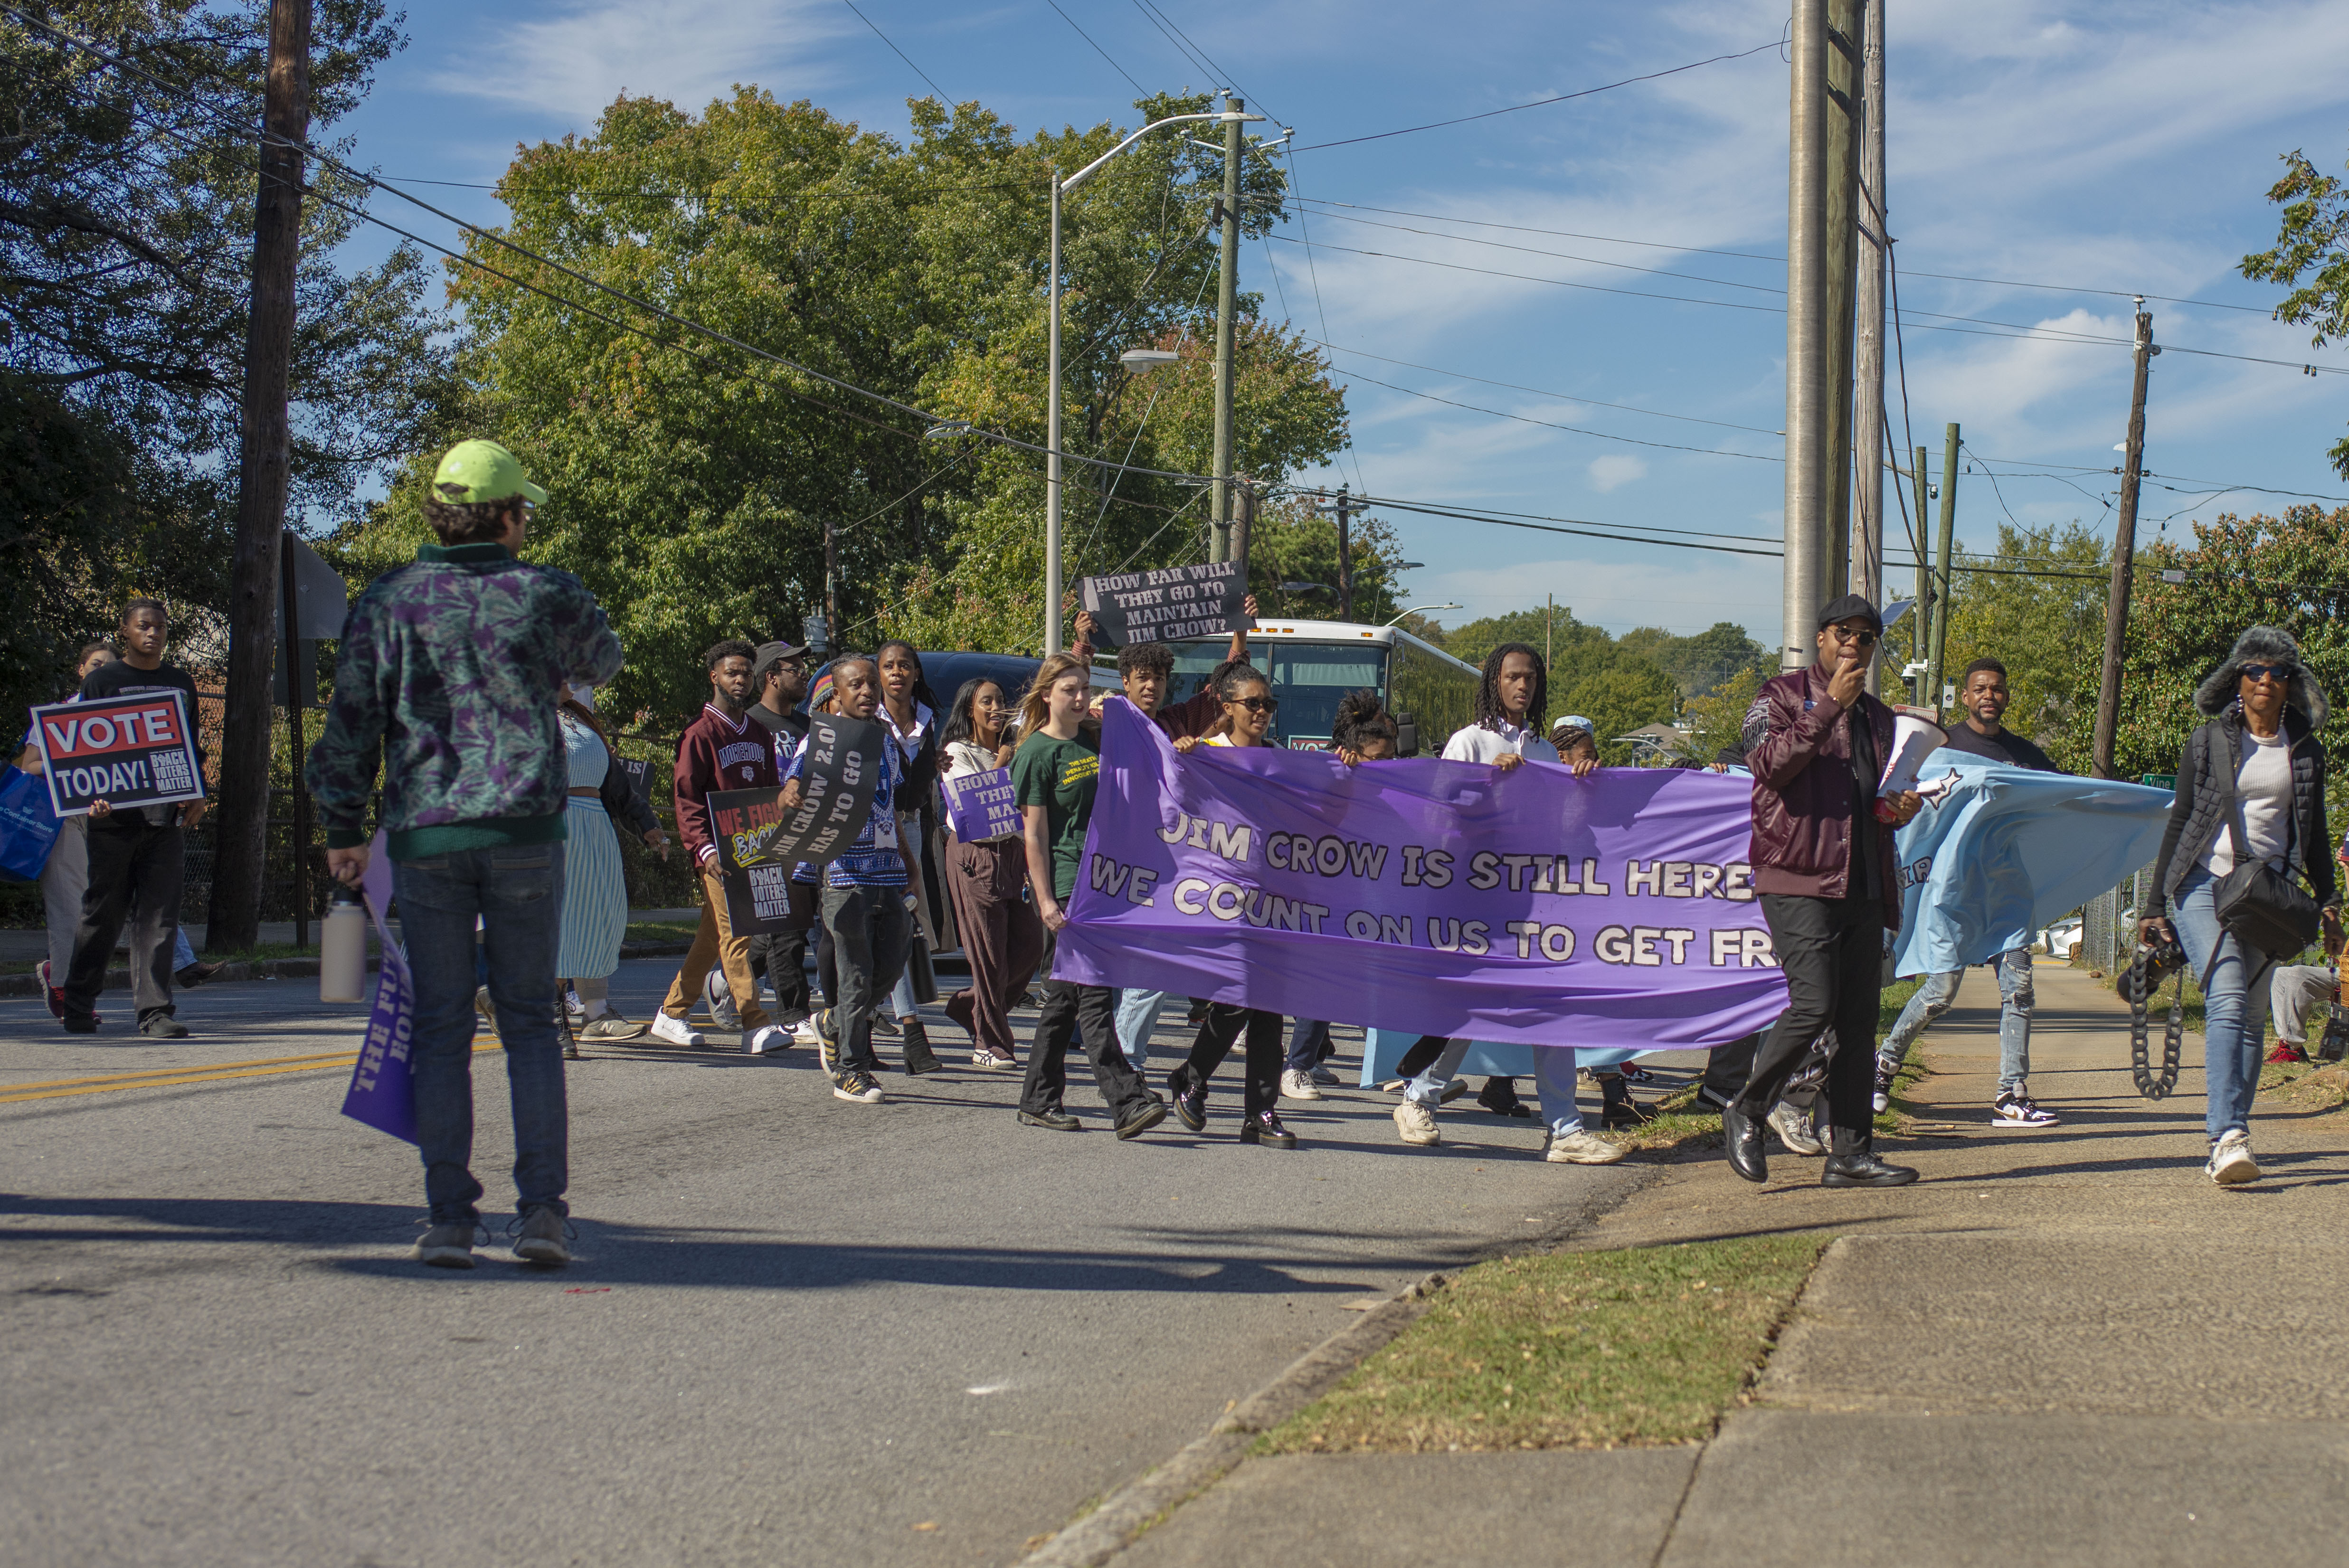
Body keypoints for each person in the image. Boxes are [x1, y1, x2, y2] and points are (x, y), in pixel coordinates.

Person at [311, 438, 623, 1267]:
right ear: (510, 517)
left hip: (427, 835)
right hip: (525, 832)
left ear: (440, 516)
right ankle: (542, 1213)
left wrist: (344, 828)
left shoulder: (389, 600)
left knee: (441, 1027)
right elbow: (603, 658)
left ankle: (449, 1217)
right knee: (529, 1023)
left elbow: (350, 724)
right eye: (524, 512)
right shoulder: (544, 592)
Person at [1726, 595, 1923, 1190]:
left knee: (1858, 1024)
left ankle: (1850, 1154)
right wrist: (1827, 706)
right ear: (1820, 637)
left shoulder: (1880, 717)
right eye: (1843, 631)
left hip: (1861, 879)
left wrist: (1897, 807)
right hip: (1796, 874)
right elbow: (1767, 766)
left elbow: (1871, 797)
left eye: (1866, 636)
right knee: (1813, 1004)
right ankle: (1748, 1107)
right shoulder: (1779, 695)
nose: (1853, 643)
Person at [2140, 626, 2336, 1186]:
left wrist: (2329, 902)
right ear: (2236, 680)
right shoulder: (2208, 740)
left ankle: (2233, 1132)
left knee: (2251, 1015)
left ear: (2291, 683)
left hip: (2265, 894)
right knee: (2226, 996)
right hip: (2202, 882)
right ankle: (2226, 1135)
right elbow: (2180, 818)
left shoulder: (2304, 750)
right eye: (2253, 670)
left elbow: (2314, 833)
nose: (2264, 680)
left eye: (2276, 672)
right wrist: (2154, 902)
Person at [1874, 658, 2065, 1124]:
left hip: (2006, 892)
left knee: (2018, 991)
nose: (1988, 696)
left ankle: (2011, 1094)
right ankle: (1884, 1064)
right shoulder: (1943, 747)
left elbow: (2061, 798)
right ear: (1965, 696)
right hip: (1952, 892)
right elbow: (1900, 797)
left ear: (2006, 696)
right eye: (1980, 688)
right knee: (1940, 992)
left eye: (1996, 689)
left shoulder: (2026, 757)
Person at [1081, 600, 1259, 1068]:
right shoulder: (1105, 721)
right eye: (1142, 677)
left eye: (1158, 678)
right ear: (1124, 681)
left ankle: (1126, 1063)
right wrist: (1082, 644)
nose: (1150, 685)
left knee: (1150, 967)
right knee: (1103, 966)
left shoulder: (1175, 723)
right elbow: (1063, 698)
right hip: (1108, 859)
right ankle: (1102, 1050)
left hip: (1162, 865)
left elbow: (1224, 688)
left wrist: (1239, 629)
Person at [1007, 652, 1169, 1136]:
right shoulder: (1036, 753)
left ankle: (1038, 1099)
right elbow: (1033, 835)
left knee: (1063, 1000)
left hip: (1102, 884)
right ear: (1046, 696)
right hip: (1066, 887)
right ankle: (1127, 1099)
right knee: (1095, 997)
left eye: (1084, 688)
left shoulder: (1094, 739)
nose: (1079, 698)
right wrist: (1045, 900)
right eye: (1069, 690)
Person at [784, 653, 936, 1102]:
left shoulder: (885, 742)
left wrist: (909, 864)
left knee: (891, 965)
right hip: (844, 874)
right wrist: (792, 792)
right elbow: (793, 781)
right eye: (857, 685)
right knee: (855, 972)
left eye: (872, 683)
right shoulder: (823, 740)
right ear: (838, 693)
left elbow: (889, 807)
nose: (868, 691)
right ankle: (851, 1071)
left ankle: (832, 1023)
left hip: (888, 873)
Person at [1164, 664, 1304, 1148]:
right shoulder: (1207, 755)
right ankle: (1192, 1077)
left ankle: (1259, 1112)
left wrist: (1346, 768)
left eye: (1269, 704)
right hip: (1221, 897)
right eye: (1253, 703)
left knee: (1268, 1006)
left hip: (1272, 897)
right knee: (1241, 994)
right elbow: (1171, 809)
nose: (1263, 711)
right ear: (1227, 707)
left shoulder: (1280, 760)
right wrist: (1183, 759)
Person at [59, 600, 208, 1038]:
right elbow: (83, 748)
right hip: (113, 820)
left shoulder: (180, 683)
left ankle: (155, 1013)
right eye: (144, 626)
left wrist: (197, 792)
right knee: (102, 916)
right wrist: (90, 796)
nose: (154, 634)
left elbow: (191, 745)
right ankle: (78, 1005)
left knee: (159, 917)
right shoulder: (103, 682)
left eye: (160, 627)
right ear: (125, 630)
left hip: (166, 818)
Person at [651, 640, 789, 1055]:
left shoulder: (760, 734)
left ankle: (672, 1012)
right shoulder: (698, 734)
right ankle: (755, 1022)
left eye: (746, 673)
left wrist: (778, 841)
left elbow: (769, 794)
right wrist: (704, 849)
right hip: (717, 852)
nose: (740, 680)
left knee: (712, 936)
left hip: (754, 847)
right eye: (732, 673)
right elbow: (687, 799)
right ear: (715, 677)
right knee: (737, 934)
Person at [1279, 690, 1400, 1103]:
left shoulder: (1383, 791)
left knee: (1366, 984)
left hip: (1365, 901)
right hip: (1325, 900)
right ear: (1354, 754)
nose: (1386, 767)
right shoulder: (1330, 779)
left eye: (1391, 759)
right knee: (1327, 980)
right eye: (1377, 759)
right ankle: (1296, 1067)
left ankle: (1391, 1065)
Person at [938, 675, 1042, 1070]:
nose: (997, 708)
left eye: (1001, 700)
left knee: (1030, 947)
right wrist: (1003, 762)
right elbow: (974, 810)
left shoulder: (1017, 749)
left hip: (1013, 855)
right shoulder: (957, 752)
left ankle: (968, 1007)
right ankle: (990, 1043)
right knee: (989, 956)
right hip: (976, 856)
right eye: (987, 702)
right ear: (970, 710)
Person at [557, 684, 669, 1045]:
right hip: (552, 826)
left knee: (598, 917)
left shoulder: (578, 717)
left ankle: (596, 1015)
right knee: (558, 920)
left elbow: (616, 784)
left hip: (594, 826)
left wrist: (647, 825)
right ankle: (549, 1013)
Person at [741, 640, 817, 1043]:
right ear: (771, 677)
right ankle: (793, 1013)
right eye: (795, 669)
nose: (804, 675)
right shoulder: (750, 724)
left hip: (808, 836)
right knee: (785, 927)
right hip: (765, 836)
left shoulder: (810, 727)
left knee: (791, 925)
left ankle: (730, 977)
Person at [874, 640, 943, 1058]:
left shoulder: (929, 718)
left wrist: (935, 764)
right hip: (876, 828)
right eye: (889, 666)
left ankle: (866, 1016)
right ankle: (911, 1027)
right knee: (888, 920)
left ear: (916, 673)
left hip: (912, 825)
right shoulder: (868, 718)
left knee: (898, 918)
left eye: (905, 665)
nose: (897, 672)